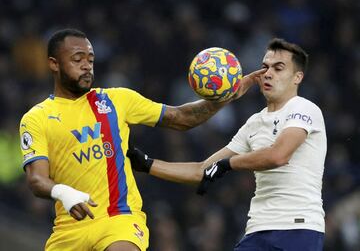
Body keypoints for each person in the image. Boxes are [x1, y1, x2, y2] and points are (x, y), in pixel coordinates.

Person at [19, 28, 264, 251]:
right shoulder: (37, 119)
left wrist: (226, 97)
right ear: (54, 64)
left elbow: (181, 117)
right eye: (77, 59)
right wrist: (64, 193)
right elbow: (37, 179)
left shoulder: (116, 100)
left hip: (119, 220)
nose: (86, 66)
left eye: (90, 60)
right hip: (68, 230)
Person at [128, 38, 327, 251]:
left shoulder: (305, 109)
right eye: (264, 67)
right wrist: (148, 164)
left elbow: (278, 156)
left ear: (298, 77)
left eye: (279, 68)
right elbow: (201, 170)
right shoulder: (255, 123)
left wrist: (228, 163)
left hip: (298, 228)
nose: (268, 73)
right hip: (258, 230)